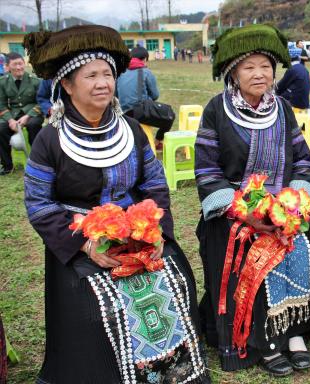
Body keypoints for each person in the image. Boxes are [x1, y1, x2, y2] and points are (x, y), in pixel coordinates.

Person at [22, 25, 209, 383]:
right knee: (97, 306)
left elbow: (154, 184)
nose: (102, 83)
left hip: (138, 234)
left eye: (107, 74)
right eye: (90, 75)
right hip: (82, 243)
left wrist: (154, 232)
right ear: (67, 85)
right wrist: (86, 244)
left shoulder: (132, 130)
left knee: (176, 276)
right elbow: (39, 204)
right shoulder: (49, 140)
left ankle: (171, 368)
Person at [195, 24, 310, 377]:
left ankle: (296, 332)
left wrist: (296, 201)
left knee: (300, 240)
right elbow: (208, 172)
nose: (259, 74)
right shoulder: (216, 111)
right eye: (249, 67)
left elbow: (302, 159)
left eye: (266, 66)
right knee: (250, 245)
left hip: (283, 206)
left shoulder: (283, 109)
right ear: (233, 72)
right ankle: (264, 340)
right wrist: (247, 212)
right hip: (235, 211)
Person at [117, 46, 168, 149]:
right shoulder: (145, 72)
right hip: (140, 113)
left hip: (122, 113)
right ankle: (158, 142)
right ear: (145, 59)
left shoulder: (121, 72)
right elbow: (155, 95)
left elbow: (116, 95)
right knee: (169, 116)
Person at [0, 52, 43, 175]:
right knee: (1, 129)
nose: (19, 67)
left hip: (32, 113)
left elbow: (41, 101)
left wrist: (28, 115)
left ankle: (38, 162)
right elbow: (1, 104)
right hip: (13, 114)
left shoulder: (35, 81)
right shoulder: (2, 82)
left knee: (33, 125)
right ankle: (7, 165)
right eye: (15, 64)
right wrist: (10, 120)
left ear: (24, 64)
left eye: (20, 63)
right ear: (8, 67)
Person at [276, 42, 310, 110]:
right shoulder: (302, 68)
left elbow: (281, 86)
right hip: (304, 101)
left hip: (295, 103)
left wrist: (274, 90)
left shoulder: (292, 69)